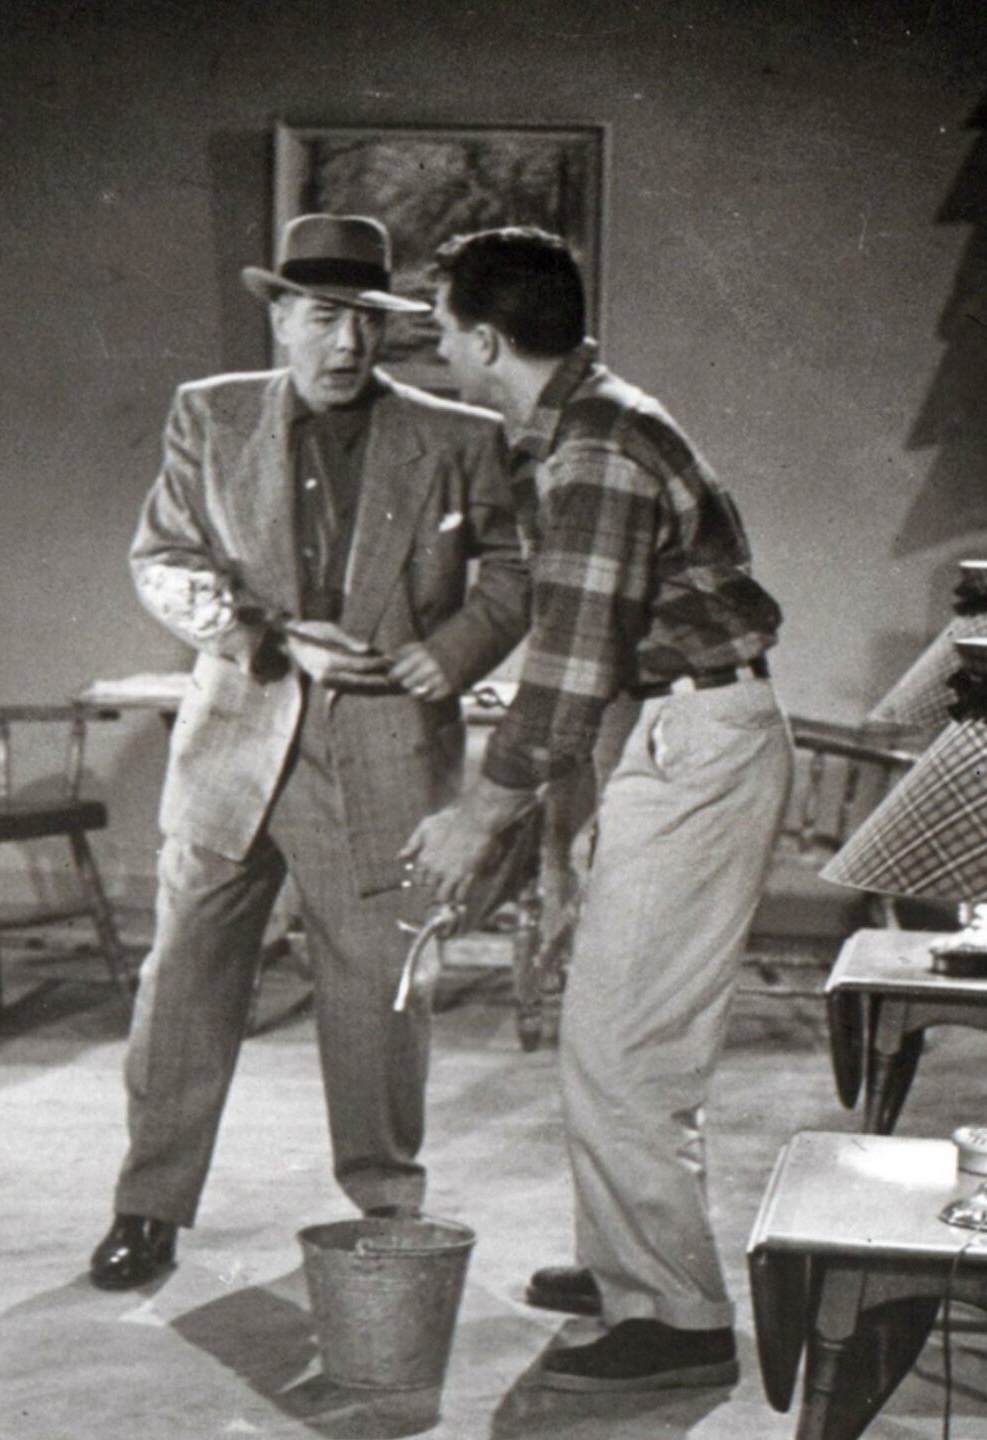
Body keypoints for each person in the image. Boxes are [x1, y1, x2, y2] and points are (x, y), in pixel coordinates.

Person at [86, 214, 530, 1290]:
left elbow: (517, 569)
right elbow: (165, 557)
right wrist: (266, 634)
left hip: (384, 752)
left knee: (380, 997)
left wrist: (449, 653)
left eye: (368, 322)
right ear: (280, 316)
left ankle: (386, 1212)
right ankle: (147, 1209)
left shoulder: (458, 436)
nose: (348, 345)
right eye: (325, 317)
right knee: (184, 989)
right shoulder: (210, 414)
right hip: (237, 748)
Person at [405, 226, 791, 1393]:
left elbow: (568, 667)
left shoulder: (594, 448)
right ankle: (627, 1264)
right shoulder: (582, 428)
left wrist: (478, 816)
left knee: (626, 1042)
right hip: (666, 730)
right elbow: (603, 656)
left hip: (698, 741)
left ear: (485, 340)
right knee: (615, 1024)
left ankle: (675, 1317)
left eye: (442, 329)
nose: (439, 349)